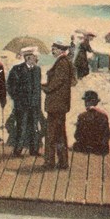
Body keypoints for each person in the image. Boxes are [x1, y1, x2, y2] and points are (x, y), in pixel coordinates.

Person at [42, 40, 75, 170]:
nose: (52, 50)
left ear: (61, 50)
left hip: (56, 105)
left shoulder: (61, 63)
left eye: (54, 48)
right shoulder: (65, 62)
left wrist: (45, 88)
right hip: (61, 105)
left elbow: (57, 82)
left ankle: (50, 162)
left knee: (51, 134)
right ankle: (62, 162)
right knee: (60, 135)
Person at [5, 47, 44, 157]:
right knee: (21, 127)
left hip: (34, 105)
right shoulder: (16, 69)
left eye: (36, 56)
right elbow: (10, 87)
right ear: (28, 58)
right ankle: (18, 151)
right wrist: (18, 99)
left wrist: (38, 104)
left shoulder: (37, 70)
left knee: (34, 128)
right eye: (35, 57)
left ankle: (34, 150)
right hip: (22, 105)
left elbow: (37, 88)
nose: (37, 58)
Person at [73, 91, 110, 155]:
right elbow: (107, 135)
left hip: (84, 148)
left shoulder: (82, 116)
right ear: (96, 102)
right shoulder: (103, 116)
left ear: (86, 102)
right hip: (99, 149)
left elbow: (77, 135)